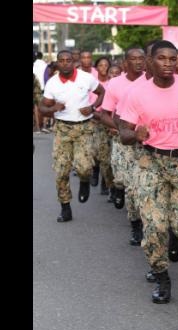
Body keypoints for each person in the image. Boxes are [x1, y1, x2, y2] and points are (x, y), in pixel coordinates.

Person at [118, 40, 178, 304]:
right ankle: (161, 276)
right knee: (154, 225)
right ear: (151, 61)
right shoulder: (137, 93)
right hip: (152, 163)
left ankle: (177, 235)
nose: (168, 64)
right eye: (162, 58)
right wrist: (134, 134)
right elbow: (123, 131)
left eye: (173, 59)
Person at [39, 50, 105, 222]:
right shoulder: (53, 83)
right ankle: (65, 207)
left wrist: (92, 108)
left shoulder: (85, 78)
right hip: (63, 129)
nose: (66, 63)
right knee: (61, 171)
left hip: (84, 127)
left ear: (72, 61)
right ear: (58, 63)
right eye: (62, 60)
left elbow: (102, 92)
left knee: (84, 167)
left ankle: (85, 181)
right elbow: (42, 108)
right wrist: (53, 109)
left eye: (69, 60)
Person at [96, 48, 146, 245]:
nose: (138, 62)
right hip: (122, 140)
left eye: (141, 58)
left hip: (145, 142)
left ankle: (139, 226)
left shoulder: (151, 82)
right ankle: (133, 220)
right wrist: (121, 128)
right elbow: (105, 114)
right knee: (124, 181)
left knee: (137, 187)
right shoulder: (116, 84)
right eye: (133, 59)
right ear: (125, 62)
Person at [89, 57, 115, 196]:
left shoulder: (113, 82)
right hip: (96, 121)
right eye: (101, 65)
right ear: (96, 67)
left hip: (112, 121)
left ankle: (108, 184)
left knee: (109, 155)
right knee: (99, 153)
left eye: (106, 65)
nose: (104, 68)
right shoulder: (93, 83)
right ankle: (97, 173)